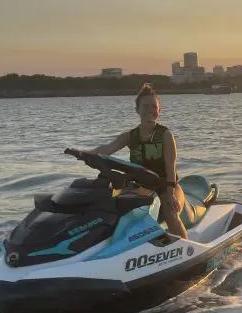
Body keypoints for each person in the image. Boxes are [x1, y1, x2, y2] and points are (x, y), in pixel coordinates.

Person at [79, 83, 188, 239]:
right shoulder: (130, 136)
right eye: (145, 106)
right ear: (137, 110)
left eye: (153, 106)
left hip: (167, 185)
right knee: (116, 207)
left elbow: (170, 167)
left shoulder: (165, 135)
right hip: (142, 186)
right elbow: (107, 149)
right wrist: (84, 153)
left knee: (170, 212)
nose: (150, 110)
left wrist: (170, 194)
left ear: (159, 110)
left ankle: (187, 250)